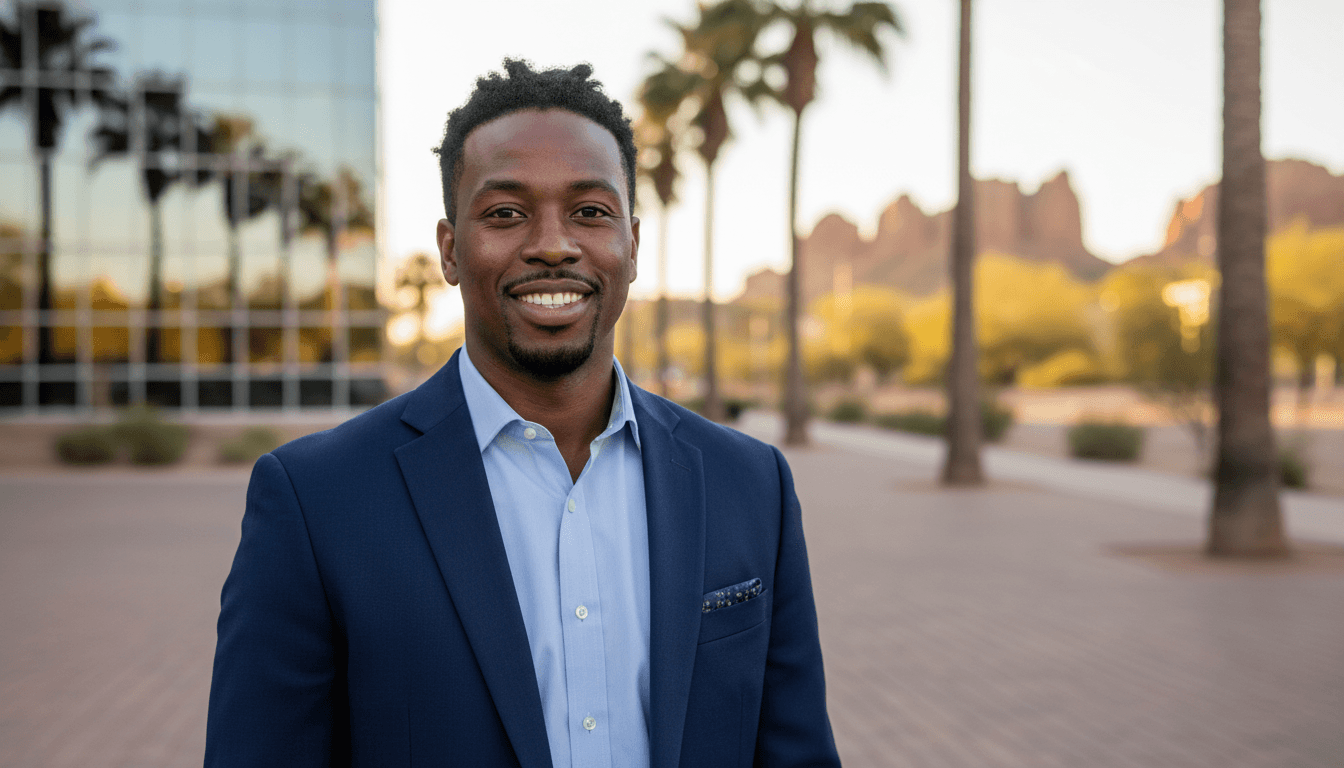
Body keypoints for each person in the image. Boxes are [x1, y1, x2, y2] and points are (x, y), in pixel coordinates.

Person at [205, 59, 839, 768]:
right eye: (506, 213)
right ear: (450, 250)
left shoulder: (750, 484)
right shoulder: (316, 500)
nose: (552, 244)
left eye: (590, 212)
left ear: (632, 244)